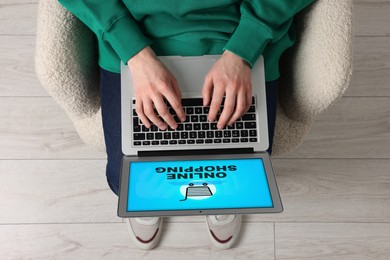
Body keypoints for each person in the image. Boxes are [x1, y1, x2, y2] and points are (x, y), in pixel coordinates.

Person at [58, 0, 315, 250]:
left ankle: (222, 202)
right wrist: (132, 50)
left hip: (239, 38)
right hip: (133, 42)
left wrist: (245, 45)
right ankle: (151, 202)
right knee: (128, 177)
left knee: (241, 171)